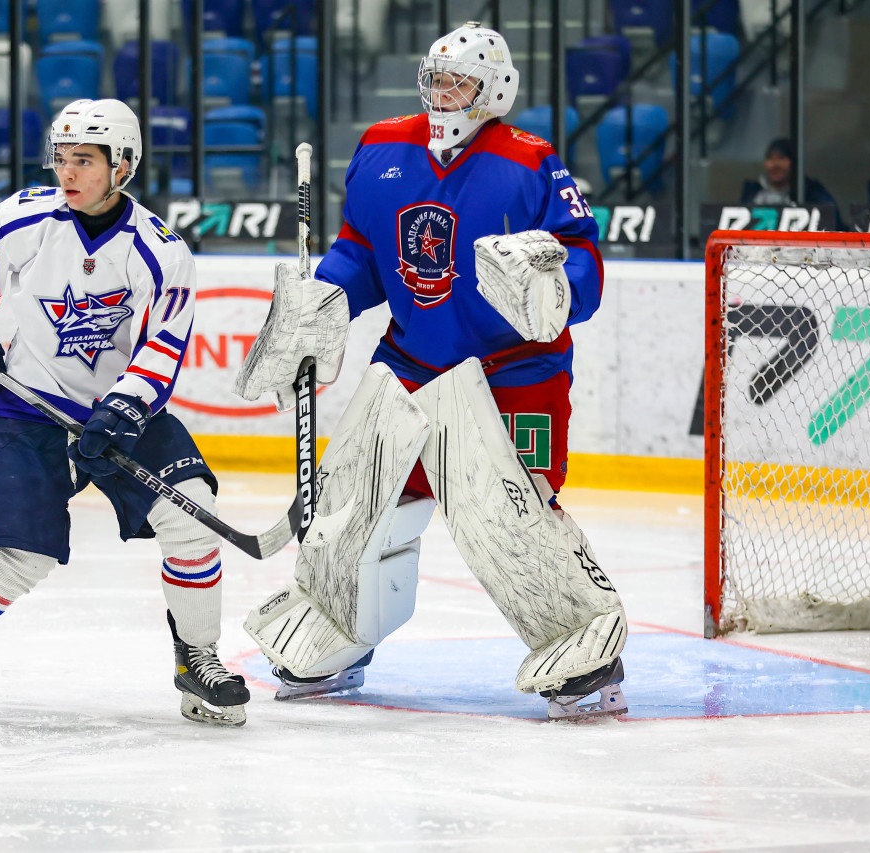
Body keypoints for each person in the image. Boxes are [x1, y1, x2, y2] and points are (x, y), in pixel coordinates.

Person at [232, 22, 628, 721]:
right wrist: (323, 302)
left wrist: (552, 282)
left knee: (509, 511)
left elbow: (585, 260)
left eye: (461, 82)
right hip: (411, 359)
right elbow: (360, 249)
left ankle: (583, 640)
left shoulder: (531, 162)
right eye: (436, 79)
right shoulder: (383, 145)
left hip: (514, 372)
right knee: (356, 502)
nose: (444, 93)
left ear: (495, 89)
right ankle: (339, 629)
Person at [0, 99, 251, 728]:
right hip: (31, 413)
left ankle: (196, 656)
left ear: (124, 165)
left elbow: (164, 345)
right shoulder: (23, 217)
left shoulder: (159, 251)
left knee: (195, 517)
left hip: (121, 414)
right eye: (61, 157)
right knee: (18, 559)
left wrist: (126, 406)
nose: (68, 172)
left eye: (84, 160)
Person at [740, 137, 840, 209]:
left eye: (781, 158)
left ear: (794, 163)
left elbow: (831, 220)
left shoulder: (811, 192)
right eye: (770, 158)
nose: (775, 165)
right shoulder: (752, 192)